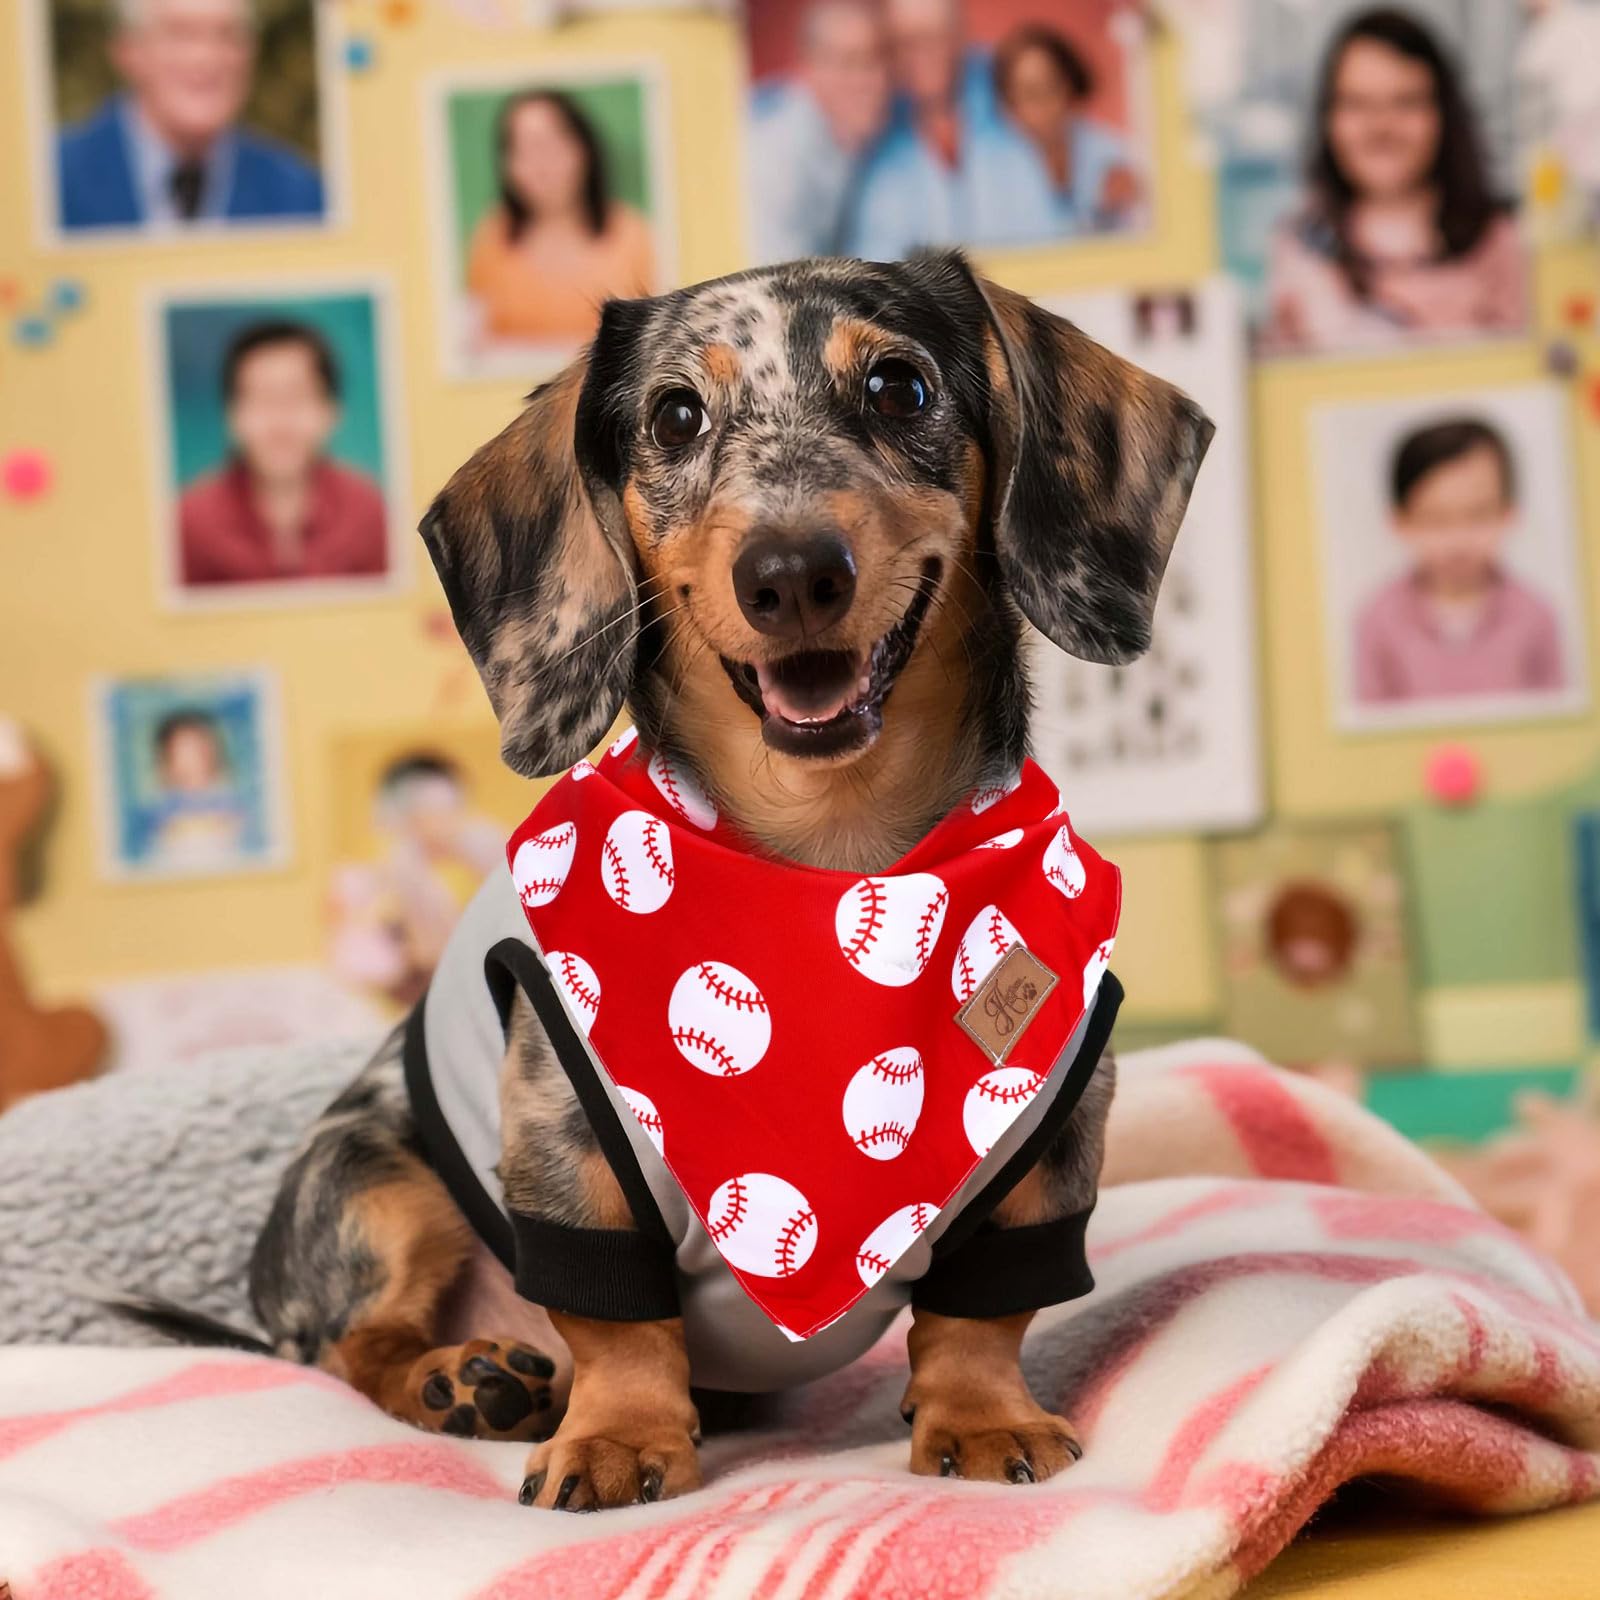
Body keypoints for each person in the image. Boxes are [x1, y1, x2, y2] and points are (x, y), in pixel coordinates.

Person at [1264, 8, 1528, 354]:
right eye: (1357, 104)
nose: (1381, 125)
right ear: (1328, 118)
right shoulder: (1298, 251)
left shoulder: (1500, 241)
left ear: (1442, 115)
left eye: (1405, 102)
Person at [55, 0, 324, 232]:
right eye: (181, 34)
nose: (206, 58)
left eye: (228, 35)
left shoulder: (300, 197)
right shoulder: (51, 184)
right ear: (127, 50)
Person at [1352, 417, 1566, 706]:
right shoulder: (1378, 619)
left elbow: (1555, 720)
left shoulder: (1536, 615)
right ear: (1400, 523)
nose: (1458, 539)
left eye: (1478, 515)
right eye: (1436, 520)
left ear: (1507, 514)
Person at [843, 0, 1063, 259]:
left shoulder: (1006, 81)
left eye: (933, 37)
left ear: (960, 35)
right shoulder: (875, 126)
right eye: (905, 43)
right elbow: (873, 257)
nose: (920, 54)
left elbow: (1076, 129)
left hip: (1042, 278)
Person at [177, 320, 388, 587]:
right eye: (262, 398)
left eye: (297, 396)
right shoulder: (189, 523)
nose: (280, 420)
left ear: (332, 411)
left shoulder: (369, 513)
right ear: (232, 415)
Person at [464, 89, 655, 349]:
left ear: (583, 149)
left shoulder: (633, 235)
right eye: (521, 149)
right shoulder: (491, 236)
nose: (539, 166)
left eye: (549, 146)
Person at [747, 0, 893, 261]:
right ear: (808, 68)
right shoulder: (775, 159)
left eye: (878, 60)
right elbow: (778, 281)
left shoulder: (855, 138)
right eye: (849, 63)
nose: (870, 81)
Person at [992, 23, 1140, 234]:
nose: (1045, 105)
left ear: (1070, 86)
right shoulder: (997, 172)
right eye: (1030, 93)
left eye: (1051, 87)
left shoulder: (1113, 153)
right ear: (1010, 105)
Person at [143, 708, 248, 867]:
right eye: (185, 750)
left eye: (202, 748)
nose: (196, 759)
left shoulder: (229, 799)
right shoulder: (162, 808)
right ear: (166, 762)